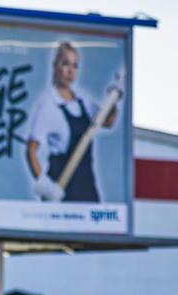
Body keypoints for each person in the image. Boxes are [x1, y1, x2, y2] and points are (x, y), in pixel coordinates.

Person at [26, 41, 121, 203]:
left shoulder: (83, 100)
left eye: (75, 66)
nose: (70, 71)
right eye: (65, 64)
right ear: (55, 66)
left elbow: (107, 122)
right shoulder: (48, 105)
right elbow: (31, 151)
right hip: (61, 190)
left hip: (87, 188)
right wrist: (46, 187)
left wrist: (113, 102)